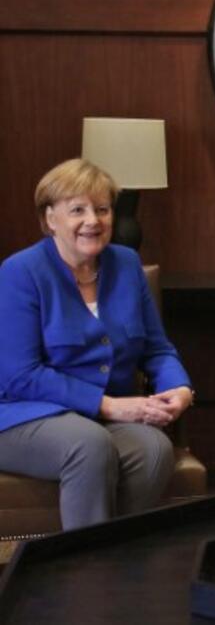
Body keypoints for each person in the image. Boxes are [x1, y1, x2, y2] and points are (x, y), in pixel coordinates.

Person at [0, 158, 194, 530]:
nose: (93, 220)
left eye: (102, 209)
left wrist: (179, 388)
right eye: (78, 210)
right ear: (50, 218)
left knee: (154, 450)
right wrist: (109, 406)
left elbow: (156, 349)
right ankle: (85, 577)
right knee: (88, 445)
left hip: (99, 418)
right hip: (20, 415)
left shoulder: (126, 263)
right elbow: (20, 375)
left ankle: (112, 560)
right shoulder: (20, 272)